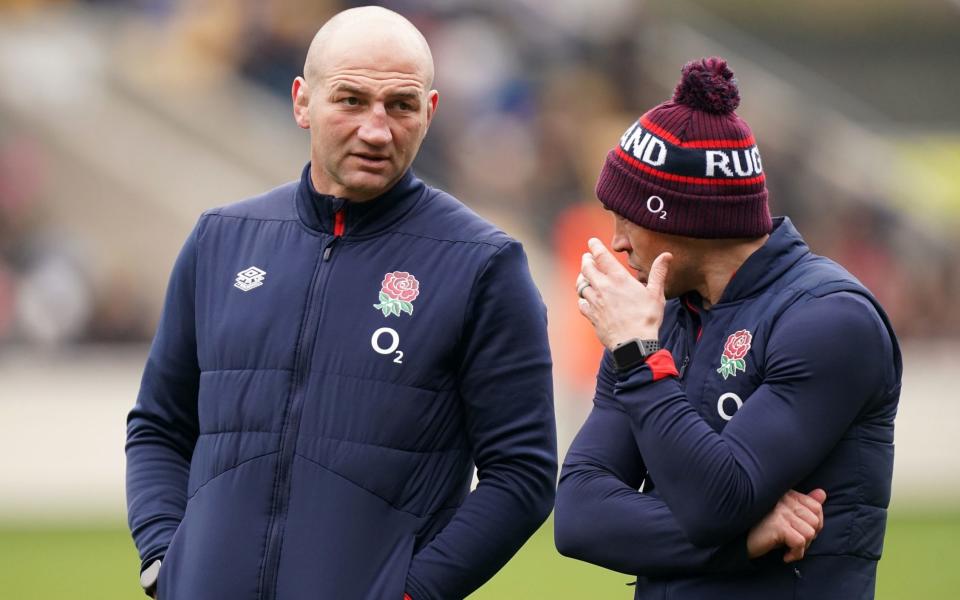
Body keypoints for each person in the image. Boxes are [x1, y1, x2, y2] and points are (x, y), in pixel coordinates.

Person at [125, 7, 557, 600]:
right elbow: (159, 427)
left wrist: (413, 592)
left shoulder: (483, 264)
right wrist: (161, 559)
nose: (376, 129)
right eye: (351, 100)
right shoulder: (221, 239)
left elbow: (523, 475)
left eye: (400, 105)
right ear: (303, 102)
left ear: (429, 113)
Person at [554, 57, 901, 599]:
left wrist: (640, 354)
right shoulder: (655, 318)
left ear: (680, 217)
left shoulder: (830, 319)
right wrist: (743, 541)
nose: (616, 242)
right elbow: (578, 515)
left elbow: (716, 502)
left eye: (627, 217)